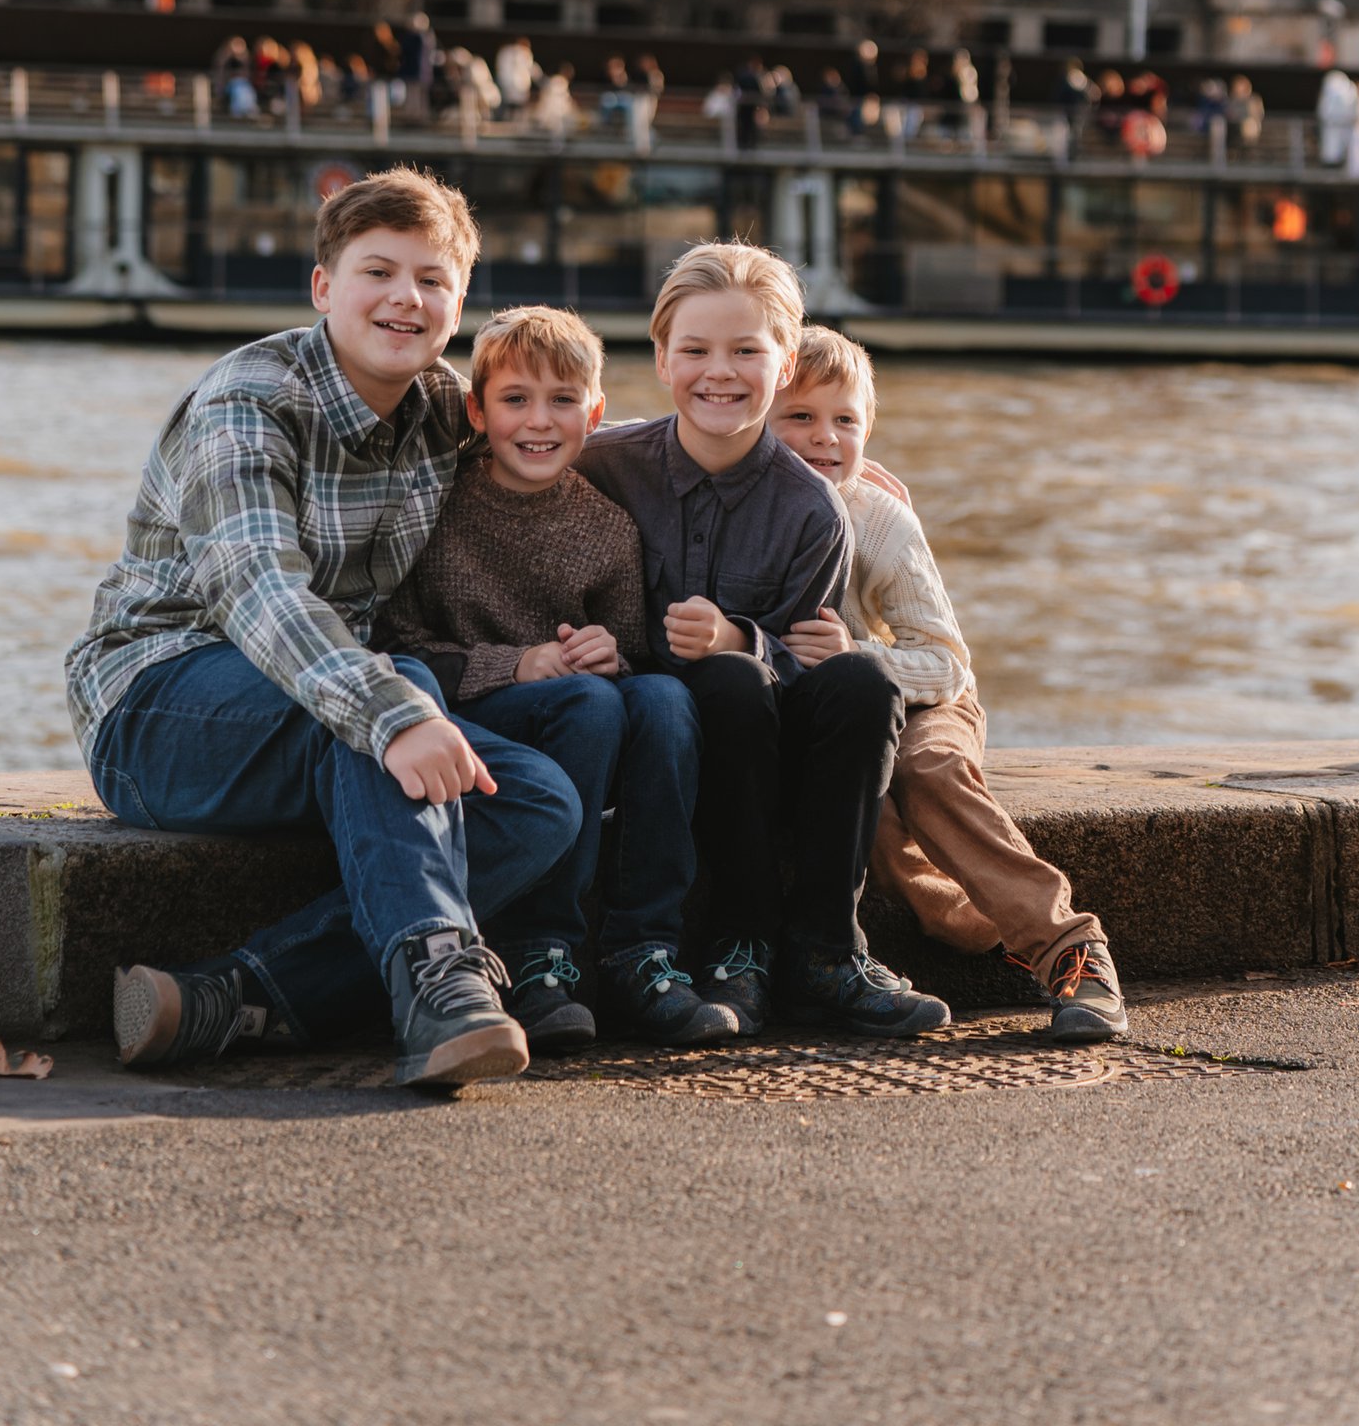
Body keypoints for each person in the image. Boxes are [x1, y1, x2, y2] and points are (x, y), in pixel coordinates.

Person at [64, 168, 582, 1093]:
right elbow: (258, 591)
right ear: (323, 287)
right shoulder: (248, 401)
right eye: (378, 272)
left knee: (540, 800)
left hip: (320, 706)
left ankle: (239, 994)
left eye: (431, 280)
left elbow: (562, 440)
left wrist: (812, 467)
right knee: (394, 697)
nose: (405, 297)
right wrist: (394, 713)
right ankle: (441, 987)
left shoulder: (442, 409)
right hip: (156, 704)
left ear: (458, 304)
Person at [579, 241, 949, 1042]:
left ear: (783, 368)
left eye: (747, 351)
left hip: (768, 752)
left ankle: (826, 953)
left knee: (859, 681)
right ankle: (738, 942)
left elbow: (802, 662)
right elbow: (509, 450)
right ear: (662, 359)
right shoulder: (603, 464)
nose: (720, 372)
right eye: (696, 351)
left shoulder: (814, 510)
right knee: (725, 680)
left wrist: (738, 635)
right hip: (658, 738)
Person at [374, 304, 734, 1053]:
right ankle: (540, 955)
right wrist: (517, 664)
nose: (539, 421)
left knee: (663, 698)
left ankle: (643, 950)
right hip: (471, 717)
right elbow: (397, 648)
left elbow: (631, 650)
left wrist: (609, 651)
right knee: (590, 704)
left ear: (593, 414)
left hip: (582, 713)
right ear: (478, 411)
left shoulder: (607, 527)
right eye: (516, 399)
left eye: (563, 400)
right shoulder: (437, 505)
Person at [771, 328, 1128, 1047]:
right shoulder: (738, 503)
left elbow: (945, 661)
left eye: (845, 420)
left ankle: (1069, 948)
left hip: (925, 691)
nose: (825, 437)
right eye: (799, 417)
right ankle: (974, 926)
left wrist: (855, 653)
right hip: (842, 716)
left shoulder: (880, 518)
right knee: (879, 821)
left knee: (925, 768)